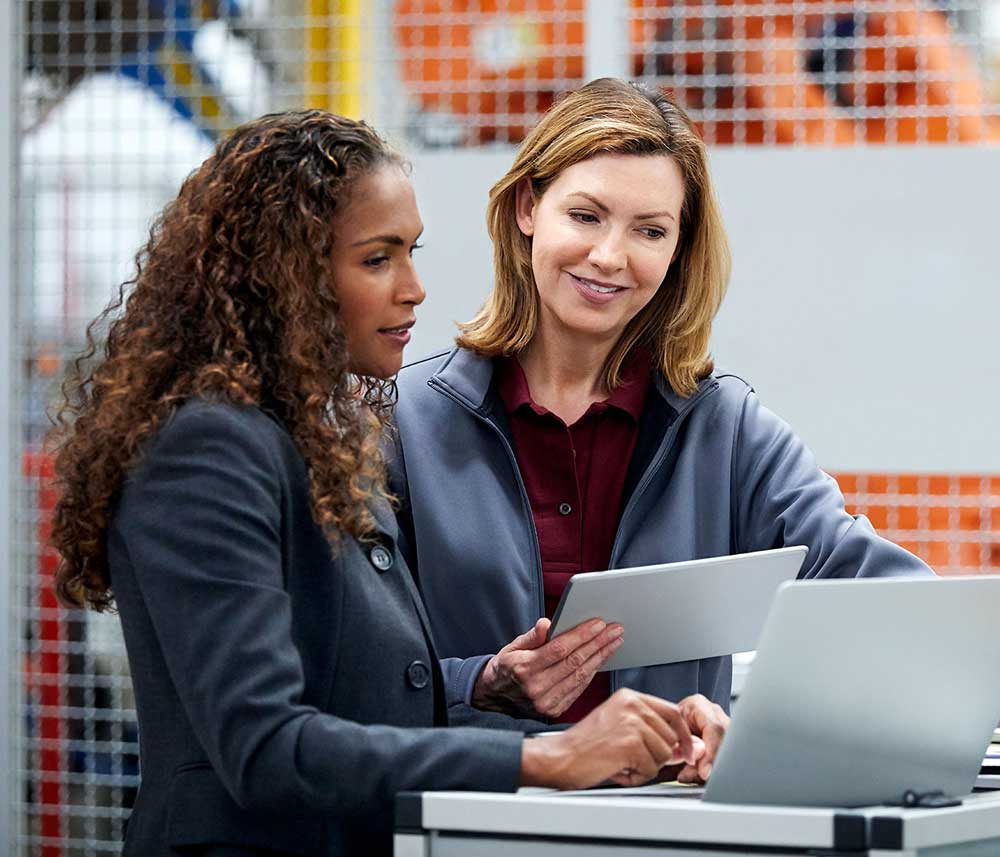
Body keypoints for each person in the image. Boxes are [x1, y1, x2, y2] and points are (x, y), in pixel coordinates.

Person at [47, 111, 728, 857]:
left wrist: (531, 704)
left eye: (411, 252)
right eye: (378, 260)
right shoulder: (207, 450)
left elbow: (359, 712)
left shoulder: (318, 444)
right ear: (289, 276)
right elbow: (265, 747)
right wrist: (545, 758)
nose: (414, 289)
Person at [389, 78, 934, 727]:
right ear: (528, 207)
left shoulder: (727, 434)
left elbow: (892, 611)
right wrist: (476, 682)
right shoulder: (402, 423)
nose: (609, 256)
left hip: (665, 822)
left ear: (678, 251)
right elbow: (344, 665)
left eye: (649, 230)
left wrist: (754, 726)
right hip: (457, 815)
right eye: (586, 216)